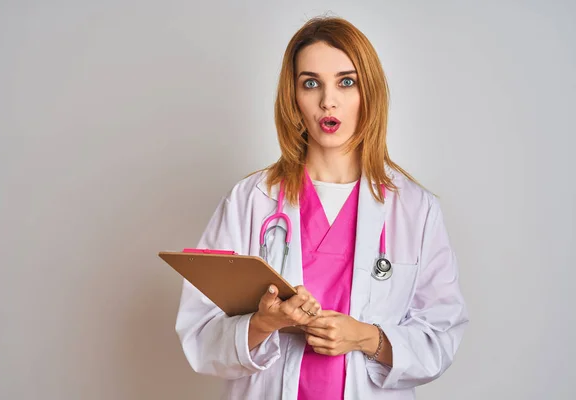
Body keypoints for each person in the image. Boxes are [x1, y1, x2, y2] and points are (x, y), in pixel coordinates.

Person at [175, 16, 468, 399]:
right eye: (310, 83)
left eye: (346, 82)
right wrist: (263, 323)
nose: (328, 100)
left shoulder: (414, 209)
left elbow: (442, 334)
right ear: (293, 98)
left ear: (369, 93)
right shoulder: (251, 200)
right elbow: (199, 331)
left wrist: (367, 337)